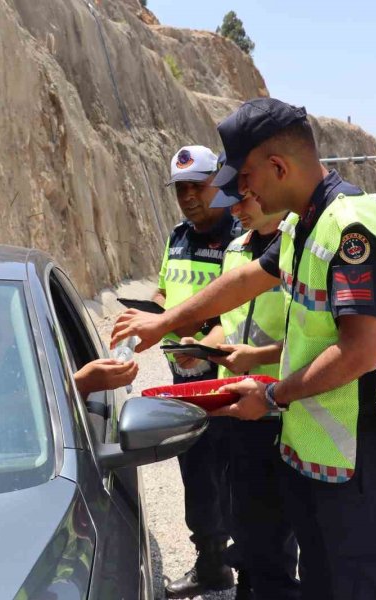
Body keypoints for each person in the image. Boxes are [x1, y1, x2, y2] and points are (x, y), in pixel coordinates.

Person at [111, 98, 376, 600]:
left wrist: (273, 396)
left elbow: (359, 353)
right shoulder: (301, 225)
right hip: (321, 454)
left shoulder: (350, 228)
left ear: (278, 167)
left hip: (364, 460)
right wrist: (166, 323)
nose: (240, 192)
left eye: (245, 178)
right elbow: (246, 281)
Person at [204, 179, 301, 600]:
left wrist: (257, 355)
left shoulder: (299, 248)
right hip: (237, 404)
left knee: (274, 536)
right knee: (242, 520)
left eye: (240, 200)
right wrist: (205, 346)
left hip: (281, 409)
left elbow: (318, 340)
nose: (234, 211)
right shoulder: (236, 249)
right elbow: (229, 316)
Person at [155, 145, 242, 598]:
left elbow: (242, 310)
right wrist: (149, 323)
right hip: (184, 384)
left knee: (239, 480)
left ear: (219, 184)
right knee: (197, 474)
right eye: (180, 189)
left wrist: (203, 350)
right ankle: (211, 566)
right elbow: (165, 293)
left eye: (197, 186)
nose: (187, 196)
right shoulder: (177, 236)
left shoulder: (242, 238)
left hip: (230, 386)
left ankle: (256, 573)